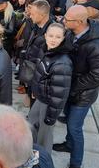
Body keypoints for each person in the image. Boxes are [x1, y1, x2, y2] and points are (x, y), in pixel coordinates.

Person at [53, 5, 99, 168]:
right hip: (71, 88)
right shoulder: (72, 33)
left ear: (79, 22)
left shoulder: (96, 45)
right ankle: (69, 144)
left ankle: (76, 163)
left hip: (83, 94)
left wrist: (74, 85)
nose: (63, 21)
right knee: (69, 119)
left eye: (67, 20)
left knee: (75, 127)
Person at [28, 23, 73, 154]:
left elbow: (59, 95)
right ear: (45, 36)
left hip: (49, 103)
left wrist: (51, 117)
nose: (53, 39)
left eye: (58, 37)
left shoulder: (62, 63)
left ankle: (43, 160)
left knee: (44, 135)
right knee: (31, 123)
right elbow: (40, 74)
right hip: (41, 98)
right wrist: (35, 91)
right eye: (51, 35)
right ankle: (31, 151)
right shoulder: (46, 50)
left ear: (63, 39)